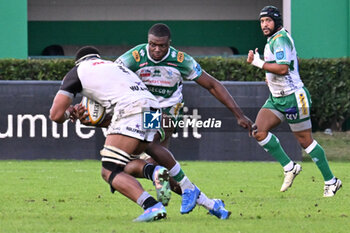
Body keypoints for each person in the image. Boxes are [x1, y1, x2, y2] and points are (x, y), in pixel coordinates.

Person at [114, 23, 254, 217]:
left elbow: (212, 85)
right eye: (152, 44)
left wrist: (239, 114)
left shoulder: (180, 60)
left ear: (169, 44)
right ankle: (211, 204)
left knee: (149, 146)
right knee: (148, 168)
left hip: (168, 110)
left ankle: (170, 194)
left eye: (161, 45)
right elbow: (111, 77)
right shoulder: (134, 57)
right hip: (143, 111)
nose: (156, 49)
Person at [49, 46, 171, 222]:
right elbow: (113, 112)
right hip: (153, 109)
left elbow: (55, 115)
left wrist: (70, 112)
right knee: (125, 164)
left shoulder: (78, 71)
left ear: (78, 62)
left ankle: (152, 206)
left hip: (132, 109)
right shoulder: (114, 67)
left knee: (109, 170)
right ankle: (154, 171)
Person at [247, 6, 342, 197]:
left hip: (294, 97)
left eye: (268, 21)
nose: (264, 25)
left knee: (305, 141)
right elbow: (292, 61)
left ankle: (332, 181)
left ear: (276, 22)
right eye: (262, 21)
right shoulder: (273, 39)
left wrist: (258, 63)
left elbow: (283, 69)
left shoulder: (280, 38)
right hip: (276, 98)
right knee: (258, 131)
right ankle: (289, 167)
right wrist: (269, 75)